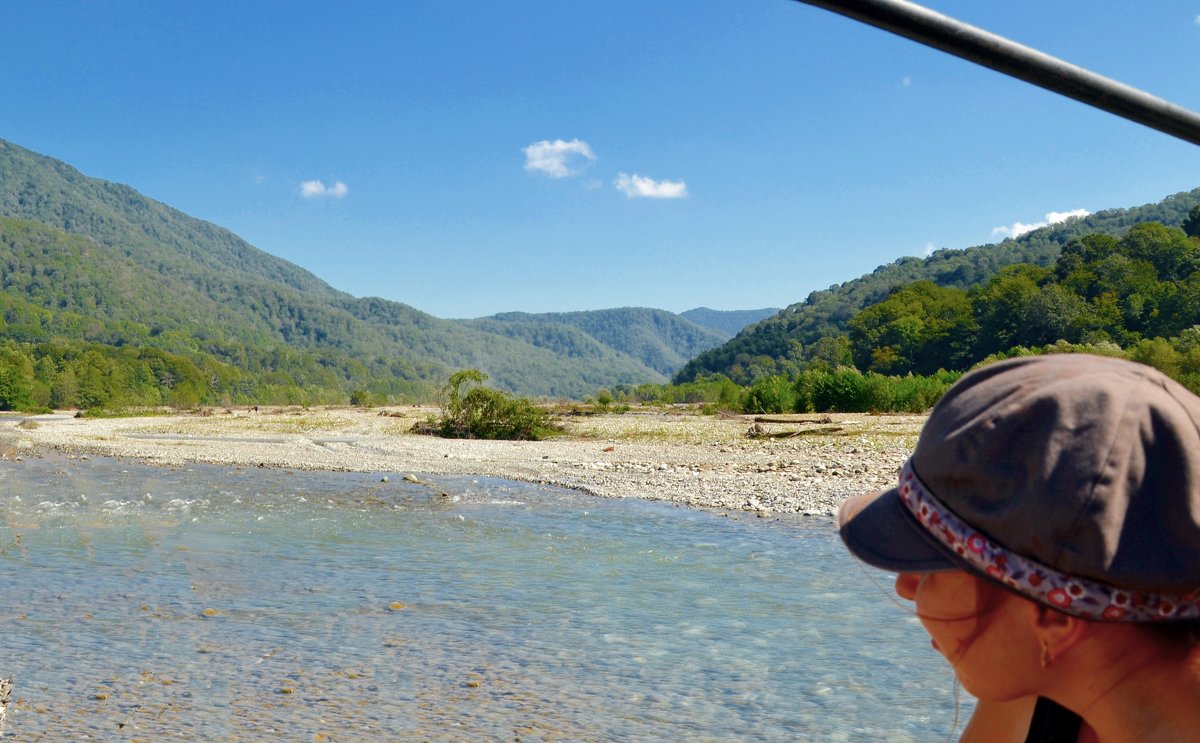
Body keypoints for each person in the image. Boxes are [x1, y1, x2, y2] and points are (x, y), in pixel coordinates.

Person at [837, 353, 1200, 742]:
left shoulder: (1036, 690)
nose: (904, 587)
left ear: (1053, 614)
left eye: (931, 564)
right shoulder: (1042, 688)